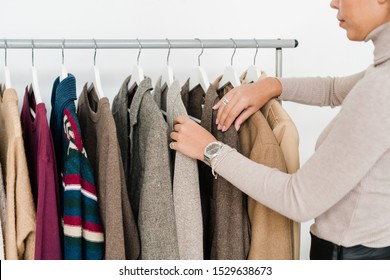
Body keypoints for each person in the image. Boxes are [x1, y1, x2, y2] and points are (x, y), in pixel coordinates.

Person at [169, 0, 390, 260]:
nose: (333, 3)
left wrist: (210, 150)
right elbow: (334, 89)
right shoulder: (381, 73)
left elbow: (299, 199)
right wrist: (271, 86)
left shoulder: (380, 89)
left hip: (353, 259)